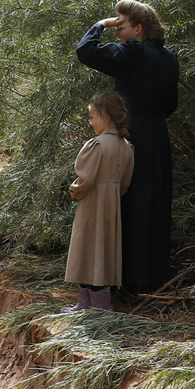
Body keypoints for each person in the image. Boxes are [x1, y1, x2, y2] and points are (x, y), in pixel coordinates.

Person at [76, 0, 179, 287]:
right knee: (154, 203)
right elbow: (171, 104)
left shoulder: (134, 54)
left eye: (119, 25)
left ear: (138, 28)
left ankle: (127, 281)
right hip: (158, 136)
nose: (116, 32)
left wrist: (99, 24)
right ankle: (151, 278)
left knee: (129, 203)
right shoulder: (169, 57)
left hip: (131, 137)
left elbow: (85, 51)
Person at [65, 93, 135, 312]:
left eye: (93, 116)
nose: (91, 122)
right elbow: (125, 183)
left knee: (86, 250)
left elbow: (85, 179)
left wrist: (74, 190)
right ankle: (95, 306)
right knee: (102, 252)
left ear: (105, 116)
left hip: (92, 204)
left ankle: (92, 307)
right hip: (111, 206)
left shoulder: (96, 145)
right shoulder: (126, 146)